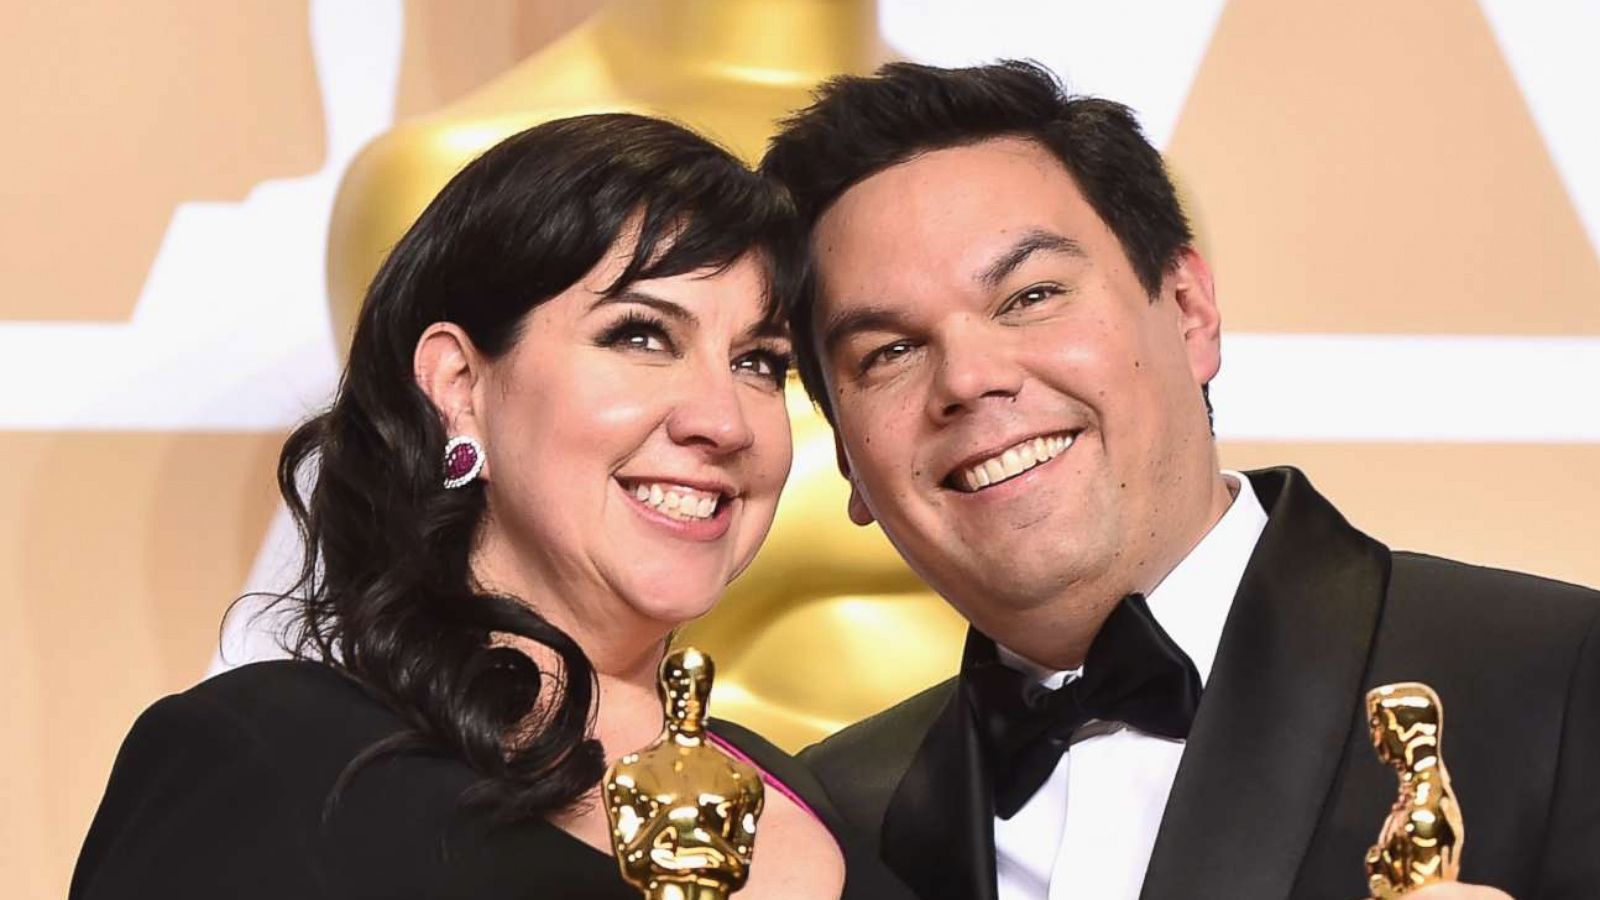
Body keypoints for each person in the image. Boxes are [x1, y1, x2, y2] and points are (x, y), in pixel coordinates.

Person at [760, 60, 1598, 900]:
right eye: (889, 353)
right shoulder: (824, 824)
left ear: (1191, 310)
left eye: (1030, 296)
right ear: (847, 459)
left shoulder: (1559, 675)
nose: (969, 379)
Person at [71, 114, 917, 900]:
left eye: (759, 362)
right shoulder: (275, 762)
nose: (723, 421)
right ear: (459, 385)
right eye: (640, 336)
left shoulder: (823, 798)